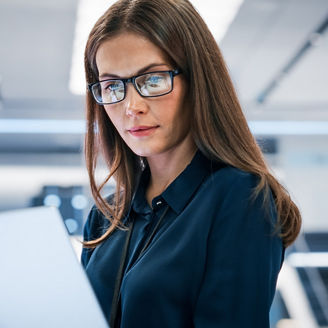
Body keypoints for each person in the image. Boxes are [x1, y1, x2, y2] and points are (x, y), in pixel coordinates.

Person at [81, 0, 302, 327]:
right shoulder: (106, 216)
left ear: (197, 81)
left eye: (152, 80)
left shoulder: (239, 198)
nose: (131, 106)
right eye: (113, 85)